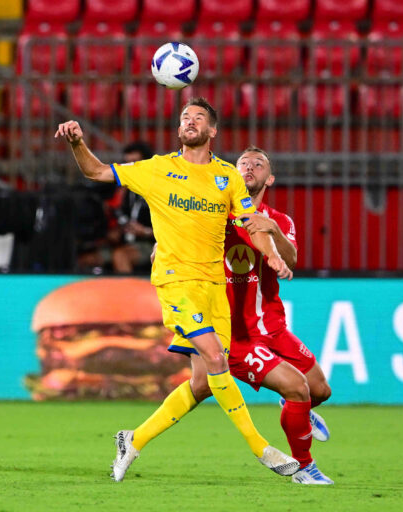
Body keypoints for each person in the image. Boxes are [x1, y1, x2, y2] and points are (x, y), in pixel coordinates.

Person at [55, 97, 298, 482]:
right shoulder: (157, 169)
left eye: (199, 117)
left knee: (203, 383)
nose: (189, 120)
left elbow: (253, 225)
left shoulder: (227, 177)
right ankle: (261, 448)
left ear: (212, 131)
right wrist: (76, 144)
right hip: (175, 282)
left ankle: (133, 439)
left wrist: (271, 256)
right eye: (185, 116)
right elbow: (98, 172)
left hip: (213, 288)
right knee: (218, 361)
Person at [152, 146, 335, 485]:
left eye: (258, 163)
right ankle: (303, 467)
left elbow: (291, 260)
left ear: (271, 177)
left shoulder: (280, 221)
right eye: (243, 163)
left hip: (273, 326)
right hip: (235, 336)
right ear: (233, 173)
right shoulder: (214, 215)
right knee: (298, 388)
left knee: (319, 391)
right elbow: (174, 239)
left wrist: (273, 231)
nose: (249, 167)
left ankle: (296, 408)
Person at [110, 142, 156, 274]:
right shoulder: (126, 191)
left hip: (151, 244)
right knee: (88, 259)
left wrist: (146, 231)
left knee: (120, 256)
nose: (131, 169)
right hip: (125, 242)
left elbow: (172, 228)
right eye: (127, 164)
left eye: (135, 163)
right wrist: (117, 231)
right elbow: (122, 217)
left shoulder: (157, 188)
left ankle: (129, 293)